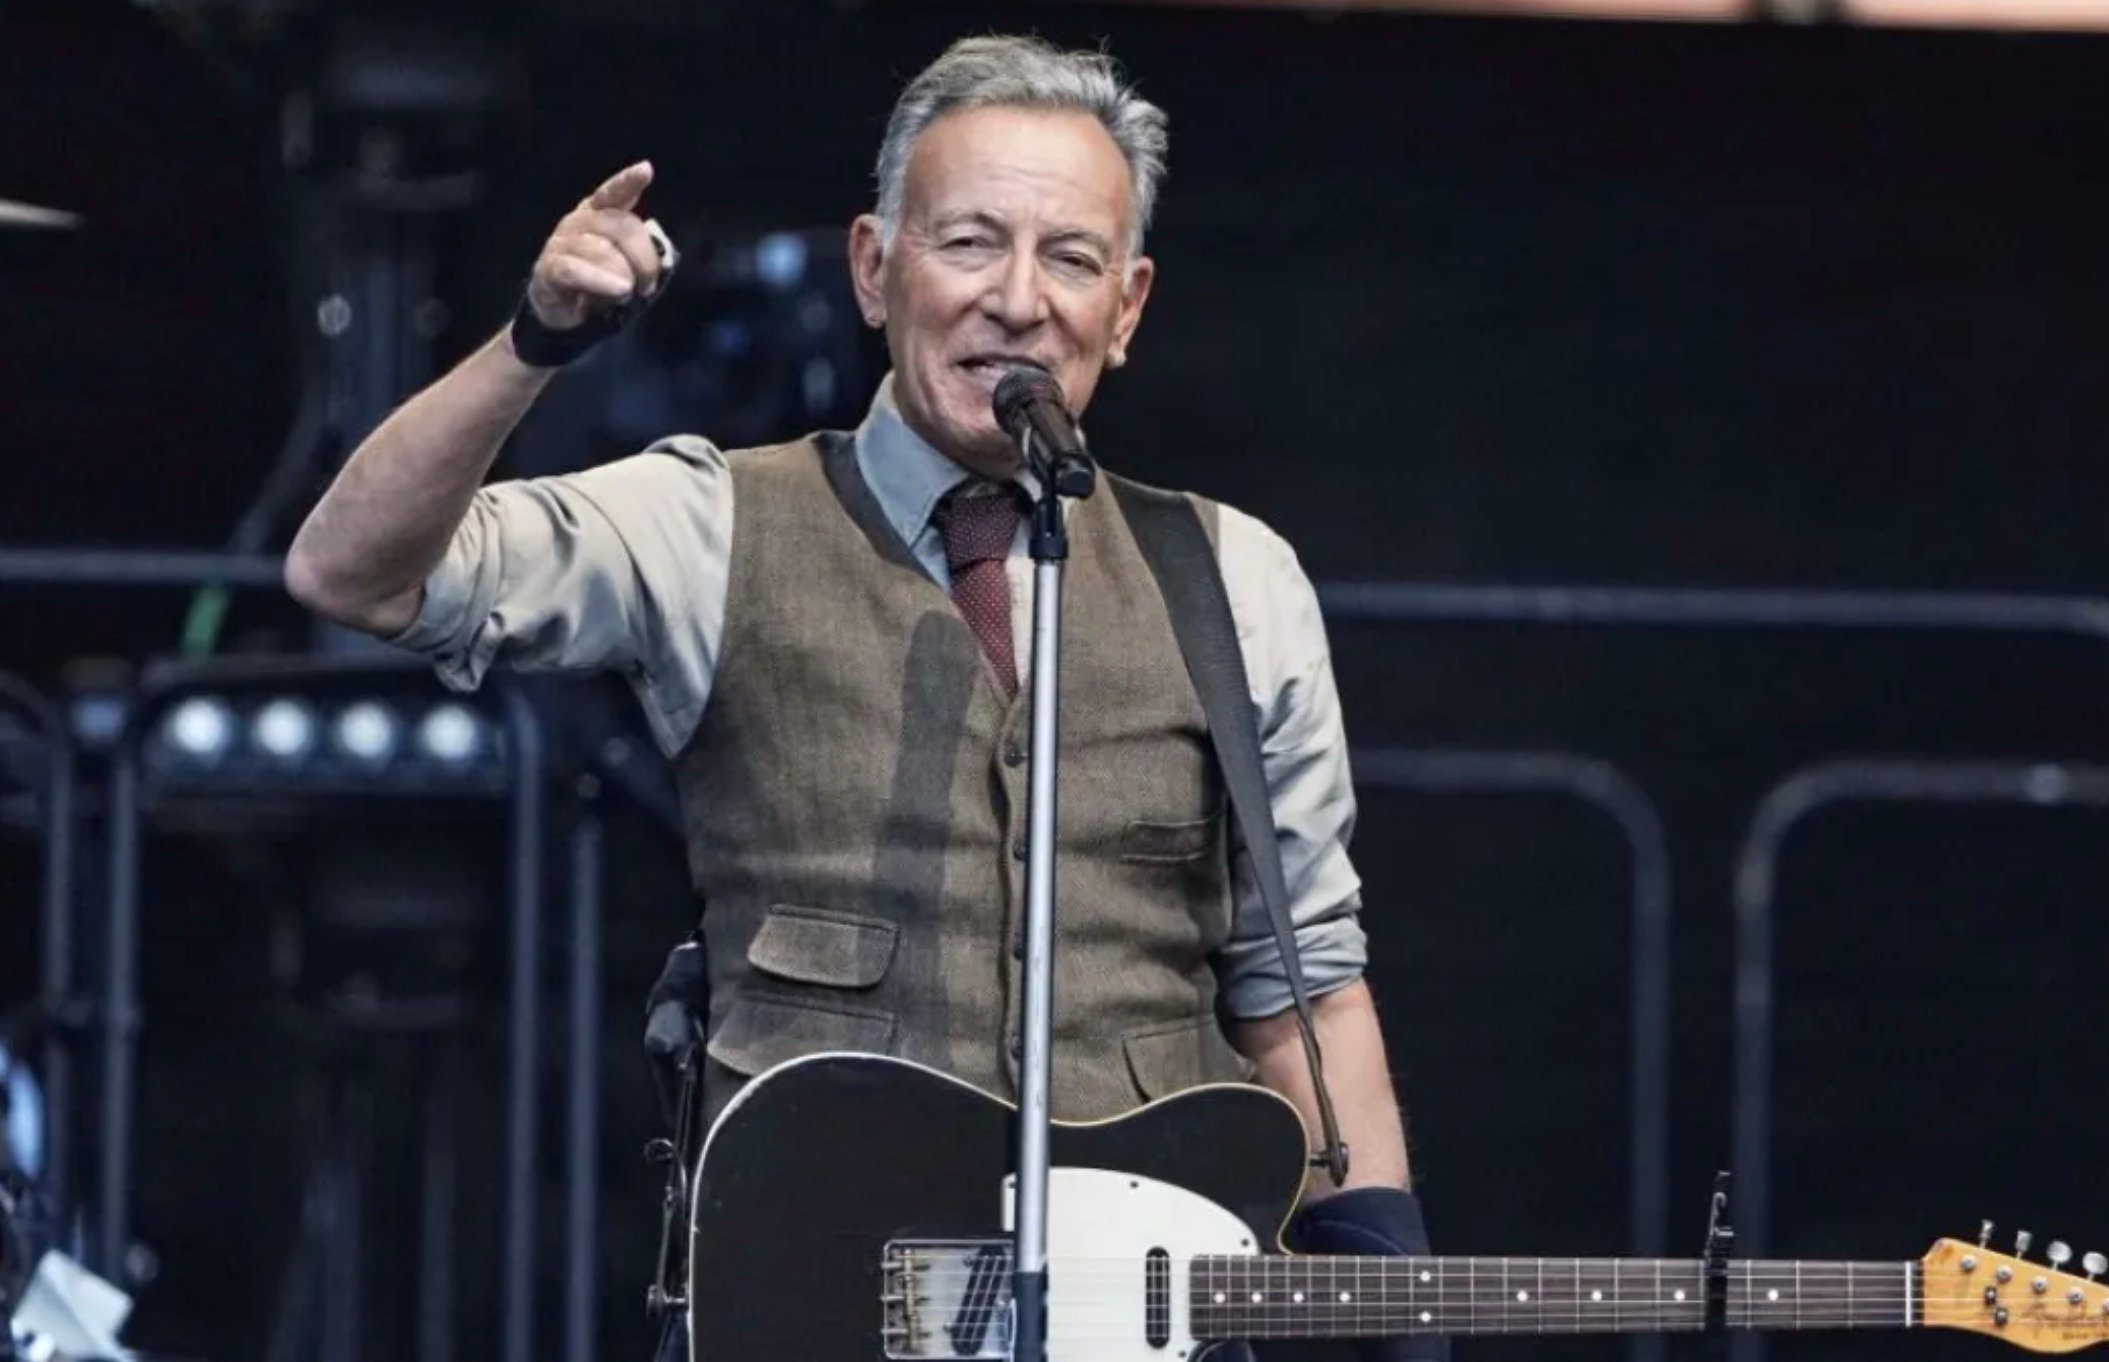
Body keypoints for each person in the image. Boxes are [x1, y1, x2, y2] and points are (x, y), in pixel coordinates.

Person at [285, 33, 1442, 1362]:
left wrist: (1386, 1277)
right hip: (806, 1305)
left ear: (1125, 313)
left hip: (1142, 1322)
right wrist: (534, 344)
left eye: (1070, 259)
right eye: (968, 243)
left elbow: (1306, 978)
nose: (1018, 300)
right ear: (872, 269)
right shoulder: (713, 520)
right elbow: (351, 570)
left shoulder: (1235, 576)